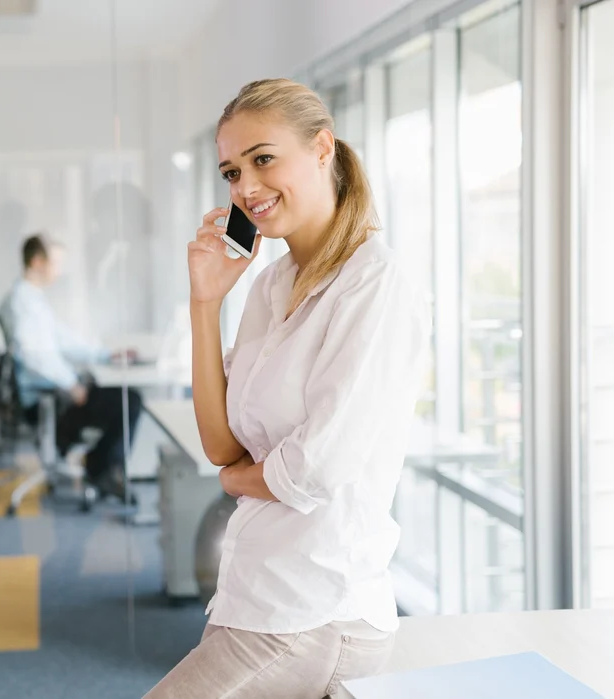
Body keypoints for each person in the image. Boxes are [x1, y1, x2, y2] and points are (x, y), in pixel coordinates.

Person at [145, 79, 431, 698]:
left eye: (263, 159)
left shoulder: (374, 285)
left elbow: (313, 471)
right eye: (230, 171)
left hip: (318, 609)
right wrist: (205, 302)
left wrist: (236, 481)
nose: (245, 187)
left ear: (322, 148)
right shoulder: (272, 284)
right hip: (255, 596)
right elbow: (222, 443)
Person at [0, 233, 142, 502]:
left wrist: (105, 354)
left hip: (52, 394)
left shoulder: (31, 299)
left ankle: (98, 465)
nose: (60, 270)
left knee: (116, 395)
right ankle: (101, 469)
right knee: (128, 401)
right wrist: (70, 383)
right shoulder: (23, 303)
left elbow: (63, 340)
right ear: (38, 261)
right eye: (57, 263)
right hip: (48, 400)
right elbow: (34, 356)